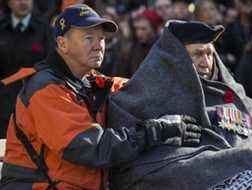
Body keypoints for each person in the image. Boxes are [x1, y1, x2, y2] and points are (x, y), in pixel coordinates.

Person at [0, 4, 201, 190]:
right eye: (89, 38)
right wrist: (156, 131)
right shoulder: (46, 89)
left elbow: (139, 88)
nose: (99, 46)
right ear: (62, 44)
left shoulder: (92, 81)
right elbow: (93, 149)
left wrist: (190, 75)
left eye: (102, 38)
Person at [108, 20, 252, 190]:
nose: (206, 62)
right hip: (187, 175)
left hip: (240, 165)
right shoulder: (147, 89)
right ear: (176, 57)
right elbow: (123, 147)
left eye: (209, 54)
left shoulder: (225, 91)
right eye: (198, 54)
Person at [0, 0, 52, 138]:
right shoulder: (1, 28)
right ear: (9, 3)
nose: (23, 2)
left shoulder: (45, 30)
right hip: (3, 105)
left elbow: (52, 65)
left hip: (34, 102)